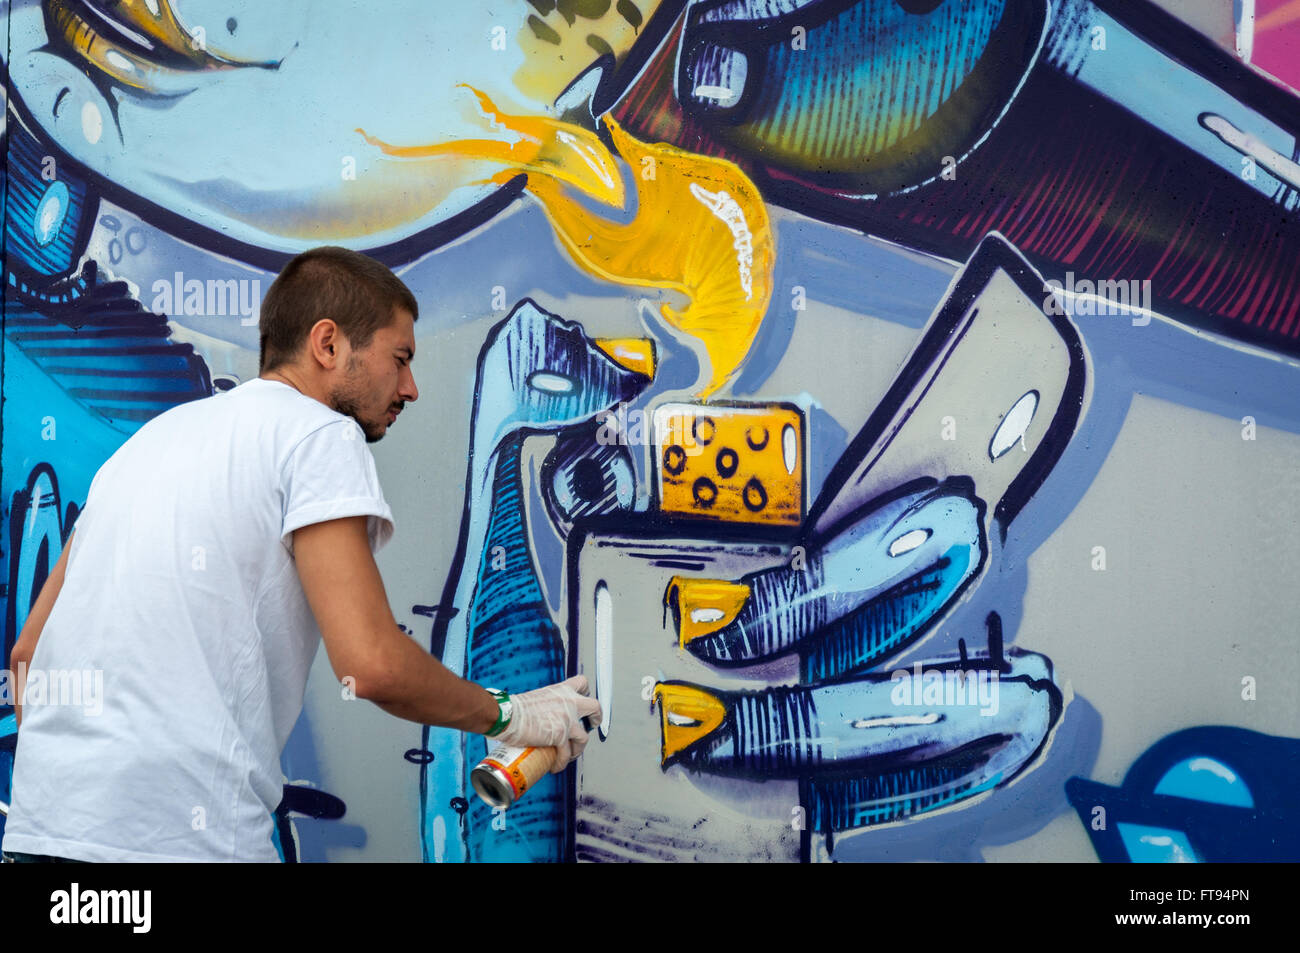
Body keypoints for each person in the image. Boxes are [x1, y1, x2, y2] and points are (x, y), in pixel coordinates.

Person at [2, 246, 598, 862]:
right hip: (183, 847)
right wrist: (513, 715)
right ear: (328, 345)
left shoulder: (146, 445)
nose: (411, 389)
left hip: (41, 838)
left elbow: (27, 654)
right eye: (400, 360)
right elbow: (370, 664)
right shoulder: (318, 436)